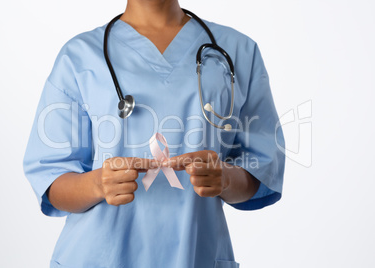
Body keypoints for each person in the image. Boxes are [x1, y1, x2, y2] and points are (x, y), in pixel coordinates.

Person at [23, 0, 285, 267]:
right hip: (98, 256)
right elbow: (52, 179)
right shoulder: (79, 57)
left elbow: (262, 170)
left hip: (196, 254)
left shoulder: (237, 51)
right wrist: (98, 184)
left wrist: (226, 178)